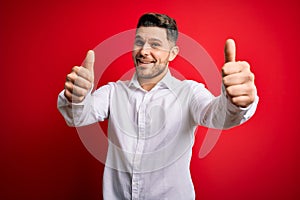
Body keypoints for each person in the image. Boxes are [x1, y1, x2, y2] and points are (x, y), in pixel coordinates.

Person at [58, 13, 258, 200]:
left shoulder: (189, 92)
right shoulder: (113, 92)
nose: (144, 51)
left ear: (172, 53)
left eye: (155, 44)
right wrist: (76, 97)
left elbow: (218, 114)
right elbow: (78, 115)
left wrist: (236, 103)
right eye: (139, 42)